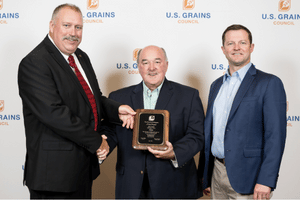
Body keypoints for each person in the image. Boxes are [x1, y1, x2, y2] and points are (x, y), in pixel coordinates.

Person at [18, 4, 135, 199]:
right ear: (52, 25)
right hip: (54, 177)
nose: (73, 33)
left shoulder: (80, 57)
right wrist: (98, 142)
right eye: (67, 25)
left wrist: (117, 110)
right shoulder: (35, 62)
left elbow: (95, 99)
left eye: (78, 27)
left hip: (81, 170)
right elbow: (54, 114)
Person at [100, 45, 205, 199]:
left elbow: (197, 136)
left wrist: (174, 152)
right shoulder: (118, 98)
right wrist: (101, 144)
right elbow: (110, 132)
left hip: (173, 182)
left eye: (157, 62)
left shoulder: (188, 96)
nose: (152, 68)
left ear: (166, 65)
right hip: (131, 183)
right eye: (145, 62)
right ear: (138, 67)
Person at [199, 24, 287, 199]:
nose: (236, 47)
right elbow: (210, 133)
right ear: (223, 49)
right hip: (217, 174)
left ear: (251, 47)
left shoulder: (269, 83)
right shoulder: (216, 85)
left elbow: (275, 136)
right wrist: (206, 177)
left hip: (250, 178)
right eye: (231, 43)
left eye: (242, 42)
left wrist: (266, 180)